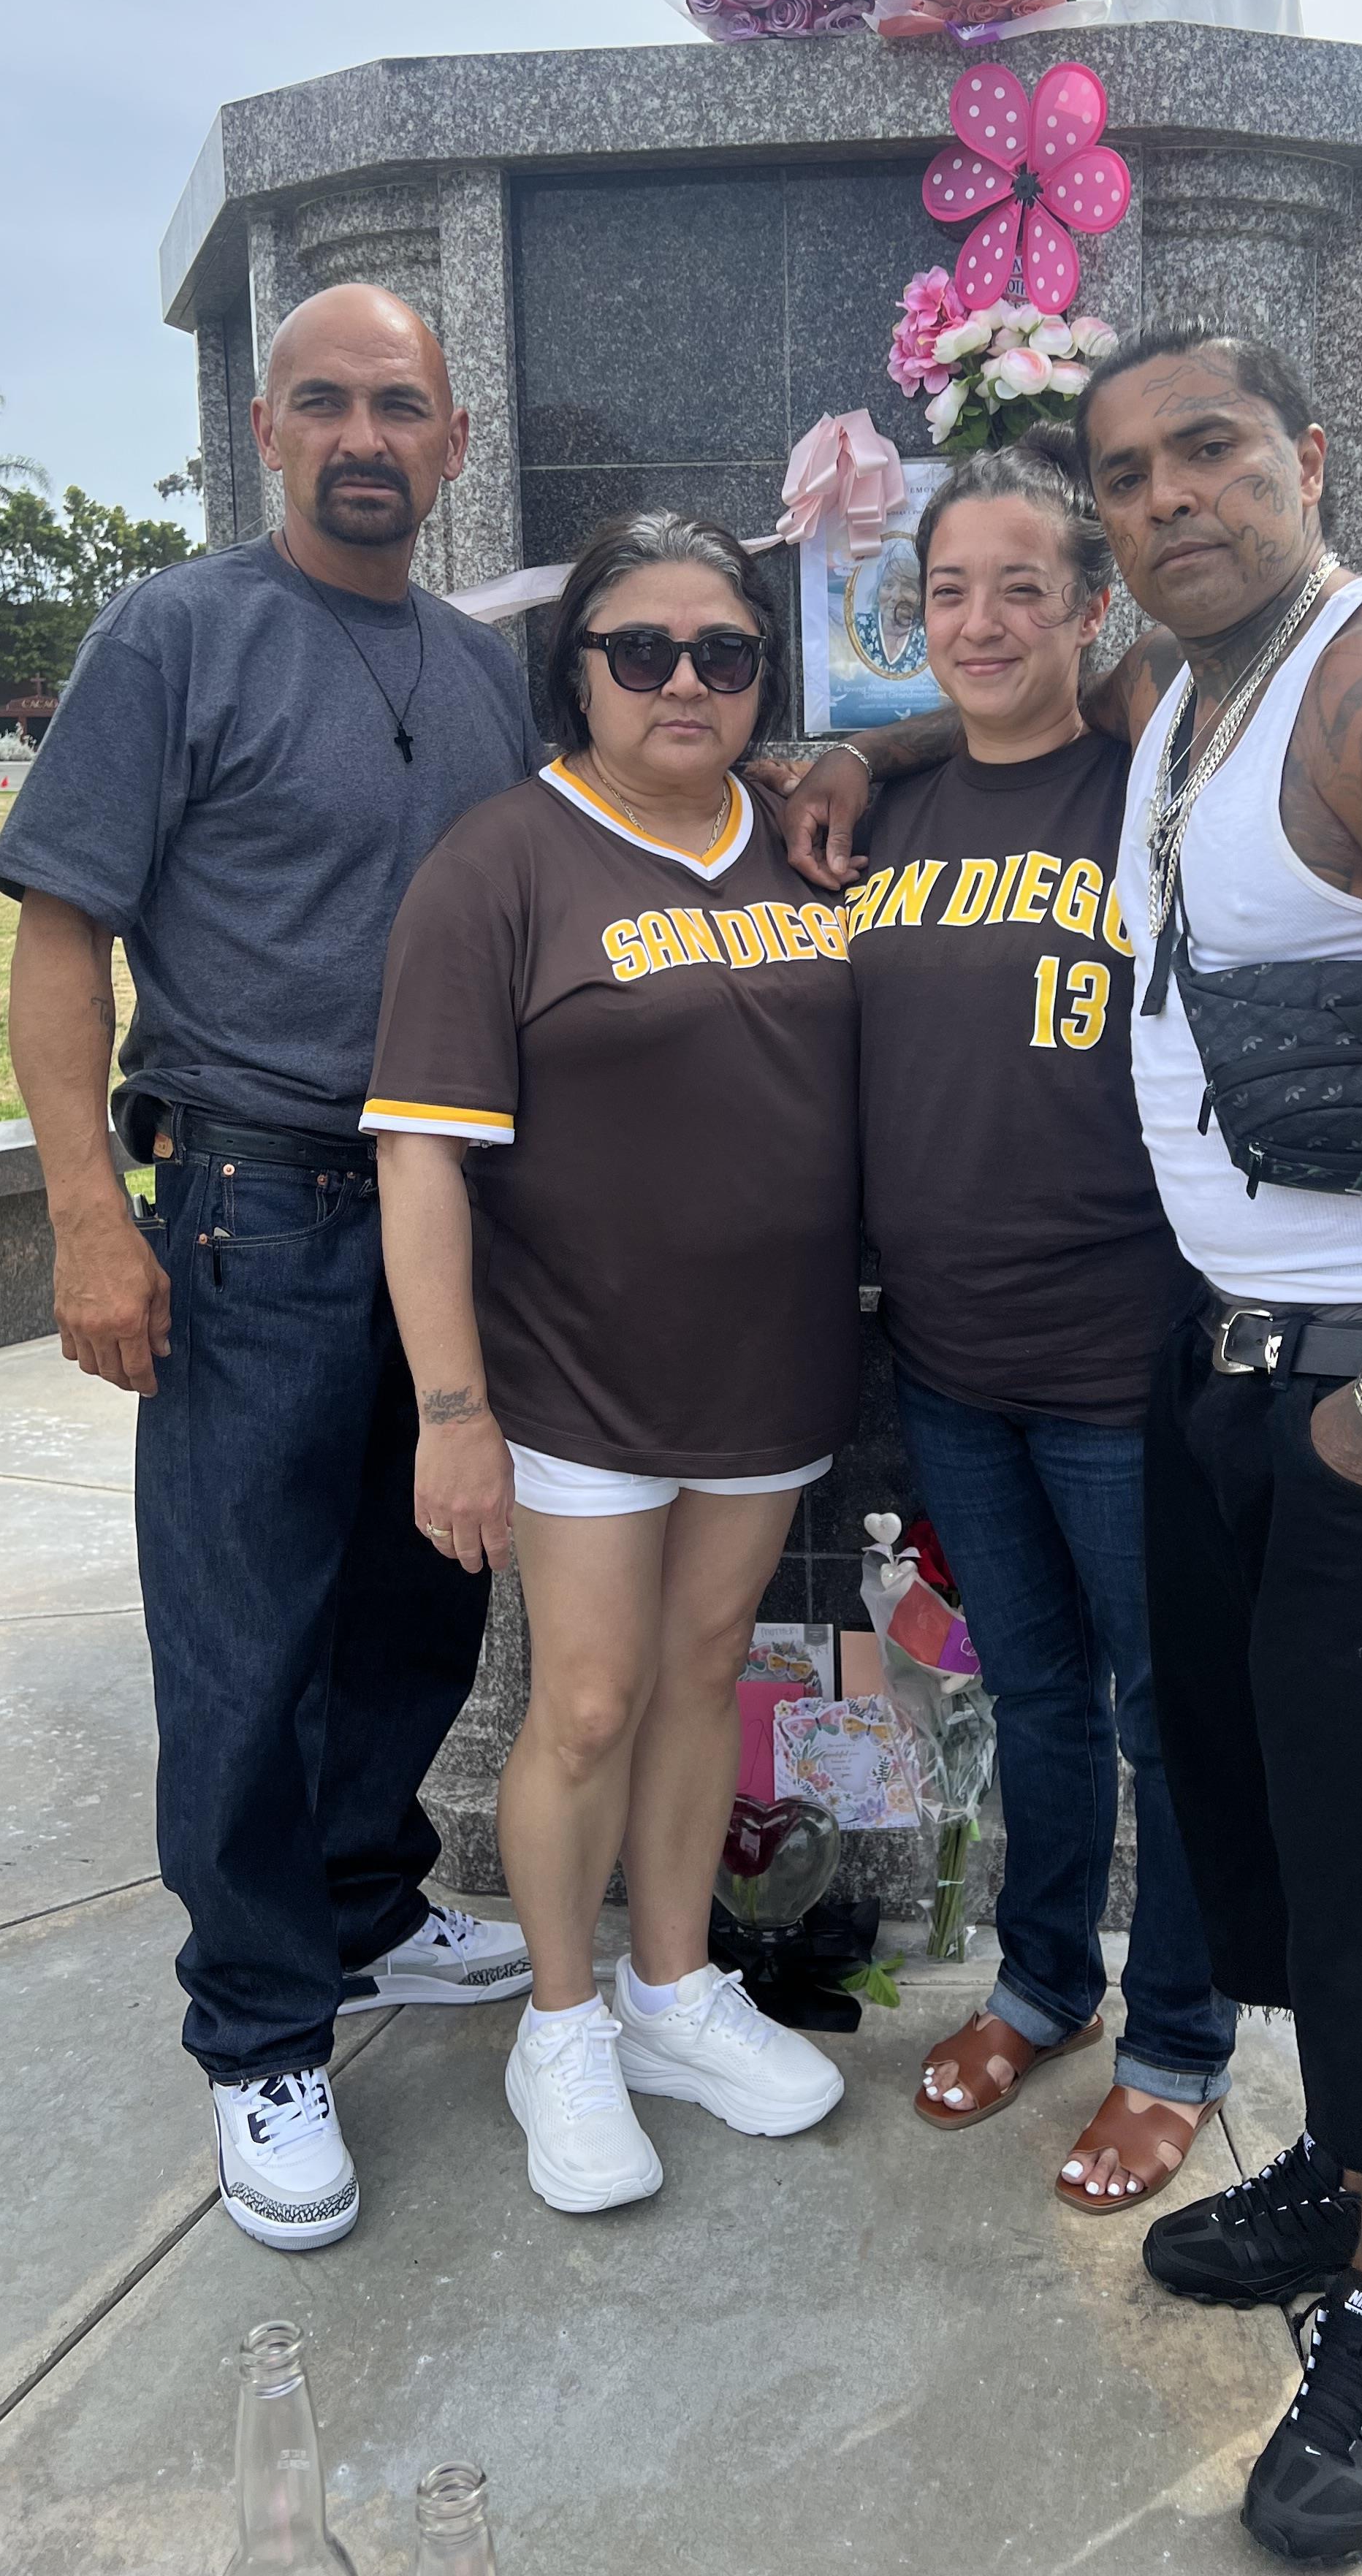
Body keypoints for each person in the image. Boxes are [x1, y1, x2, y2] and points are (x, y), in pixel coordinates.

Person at [780, 326, 1362, 2565]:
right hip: (1246, 1361)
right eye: (1130, 472)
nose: (1172, 500)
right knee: (1277, 1808)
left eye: (1212, 453)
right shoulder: (1190, 712)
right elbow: (982, 717)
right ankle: (1347, 2182)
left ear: (1312, 459)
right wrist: (832, 743)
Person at [0, 283, 536, 2255]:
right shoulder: (178, 633)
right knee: (246, 1638)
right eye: (325, 403)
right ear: (267, 431)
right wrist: (85, 1217)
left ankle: (367, 1903)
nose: (365, 436)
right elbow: (63, 938)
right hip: (245, 1209)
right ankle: (257, 2029)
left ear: (454, 443)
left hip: (450, 1220)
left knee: (418, 1600)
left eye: (402, 404)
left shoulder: (482, 680)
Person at [363, 511, 858, 2217]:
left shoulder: (808, 843)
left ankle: (670, 1990)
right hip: (573, 1369)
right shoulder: (502, 863)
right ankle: (559, 2024)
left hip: (773, 1366)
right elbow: (418, 1155)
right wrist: (453, 1412)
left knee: (703, 1672)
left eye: (723, 653)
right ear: (575, 671)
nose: (684, 681)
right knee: (583, 1701)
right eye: (639, 649)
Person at [845, 429, 1234, 2211]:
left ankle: (1178, 2044)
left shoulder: (1157, 789)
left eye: (1026, 587)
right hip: (948, 1362)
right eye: (949, 591)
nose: (984, 621)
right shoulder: (878, 814)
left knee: (1173, 1710)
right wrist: (863, 743)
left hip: (1119, 1360)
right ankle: (1046, 1985)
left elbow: (1188, 682)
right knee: (1042, 1702)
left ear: (1093, 606)